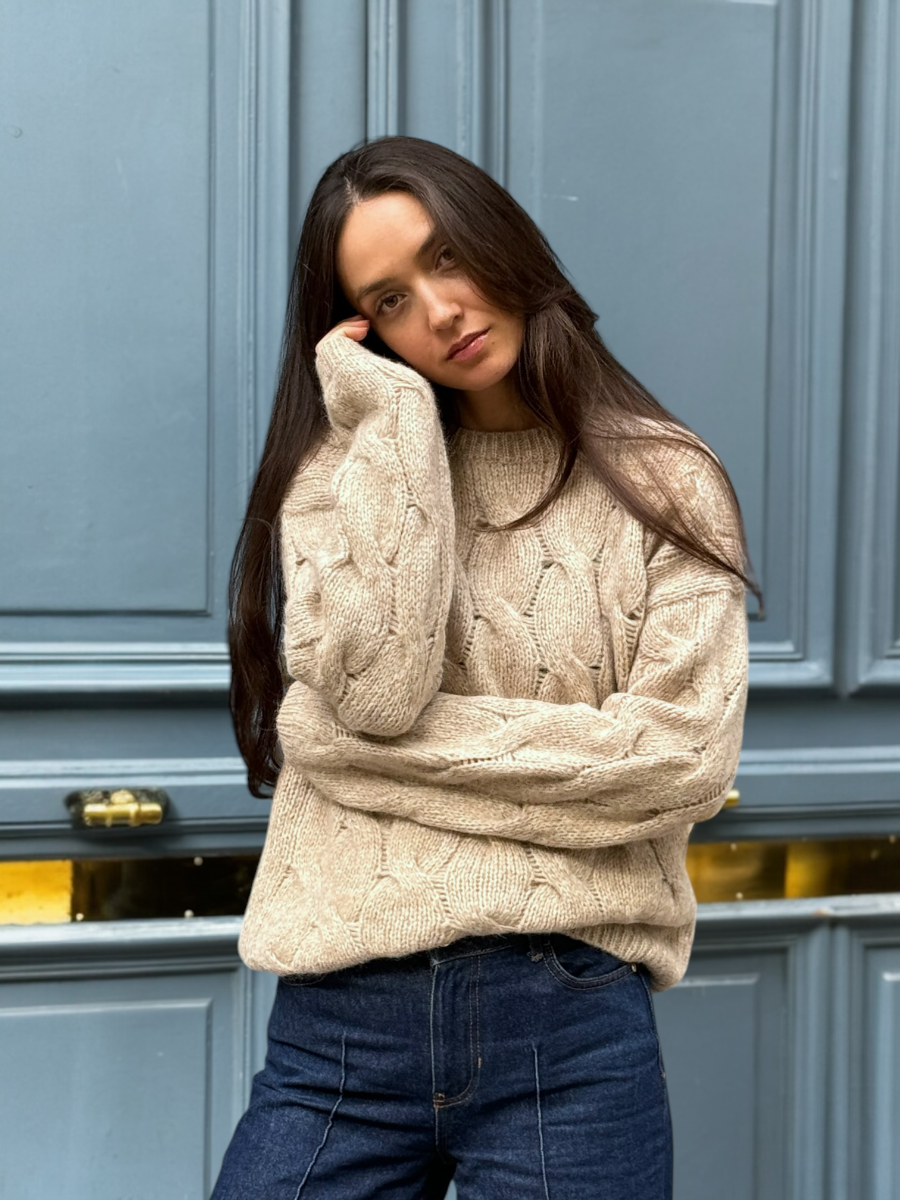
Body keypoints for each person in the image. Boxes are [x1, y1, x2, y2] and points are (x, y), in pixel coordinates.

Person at [211, 134, 762, 1199]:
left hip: (569, 1023)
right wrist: (396, 425)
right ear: (364, 331)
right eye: (390, 299)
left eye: (447, 256)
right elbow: (377, 689)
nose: (440, 309)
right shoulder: (338, 479)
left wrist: (351, 755)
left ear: (502, 240)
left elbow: (681, 760)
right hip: (341, 1024)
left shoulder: (669, 480)